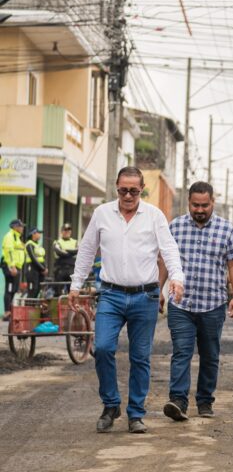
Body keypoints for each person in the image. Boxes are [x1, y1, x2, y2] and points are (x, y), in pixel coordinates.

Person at [70, 166, 185, 434]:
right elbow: (87, 250)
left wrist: (176, 278)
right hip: (110, 294)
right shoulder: (102, 214)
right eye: (124, 190)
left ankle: (135, 414)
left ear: (142, 189)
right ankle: (111, 404)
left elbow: (169, 250)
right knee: (103, 348)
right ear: (117, 188)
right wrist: (76, 284)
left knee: (140, 357)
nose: (129, 195)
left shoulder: (154, 216)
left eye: (134, 190)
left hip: (145, 296)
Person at [161, 181, 233, 422]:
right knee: (181, 352)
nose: (200, 210)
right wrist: (159, 291)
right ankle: (178, 400)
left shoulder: (227, 229)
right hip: (181, 303)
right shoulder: (175, 227)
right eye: (195, 205)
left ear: (212, 203)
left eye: (204, 205)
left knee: (209, 355)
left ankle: (205, 400)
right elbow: (164, 260)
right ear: (188, 203)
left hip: (213, 304)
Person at [1, 219, 25, 320]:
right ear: (15, 227)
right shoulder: (9, 236)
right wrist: (12, 266)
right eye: (21, 226)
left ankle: (10, 311)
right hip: (10, 266)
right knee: (9, 289)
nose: (22, 228)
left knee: (14, 289)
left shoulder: (17, 238)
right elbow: (9, 252)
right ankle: (7, 312)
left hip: (17, 267)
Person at [53, 223, 78, 295]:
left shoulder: (75, 242)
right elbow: (59, 252)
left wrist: (65, 250)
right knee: (58, 292)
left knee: (73, 291)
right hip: (60, 269)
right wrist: (71, 252)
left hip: (72, 270)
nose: (67, 232)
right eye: (65, 230)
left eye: (69, 230)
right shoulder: (57, 242)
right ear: (61, 232)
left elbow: (78, 250)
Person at [23, 227, 47, 298]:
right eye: (38, 233)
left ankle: (34, 308)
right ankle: (29, 308)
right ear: (33, 234)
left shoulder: (38, 245)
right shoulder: (29, 244)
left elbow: (42, 258)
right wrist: (43, 269)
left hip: (40, 269)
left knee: (38, 289)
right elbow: (33, 258)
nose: (40, 234)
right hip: (32, 268)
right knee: (33, 289)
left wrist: (45, 267)